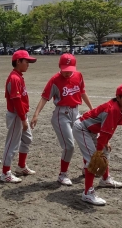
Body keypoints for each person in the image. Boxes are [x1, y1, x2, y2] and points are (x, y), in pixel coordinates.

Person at [30, 53, 93, 186]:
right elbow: (45, 97)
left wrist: (91, 109)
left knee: (85, 140)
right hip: (61, 115)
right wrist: (36, 114)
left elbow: (82, 92)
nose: (67, 73)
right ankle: (62, 174)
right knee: (69, 146)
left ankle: (87, 168)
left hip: (76, 112)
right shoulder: (55, 80)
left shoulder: (78, 76)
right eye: (65, 70)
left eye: (70, 70)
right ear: (60, 66)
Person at [73, 84, 122, 205]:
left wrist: (105, 144)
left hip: (91, 130)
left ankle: (105, 180)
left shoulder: (121, 108)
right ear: (118, 97)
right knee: (93, 159)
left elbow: (109, 129)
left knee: (105, 151)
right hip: (82, 128)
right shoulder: (112, 109)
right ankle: (87, 193)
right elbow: (104, 133)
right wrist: (98, 151)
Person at [1, 50, 37, 183]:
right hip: (16, 115)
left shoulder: (18, 76)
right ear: (18, 61)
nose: (28, 64)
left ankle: (21, 166)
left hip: (21, 114)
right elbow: (16, 101)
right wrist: (23, 119)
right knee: (12, 144)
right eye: (26, 61)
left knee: (27, 139)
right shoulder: (14, 78)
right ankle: (5, 173)